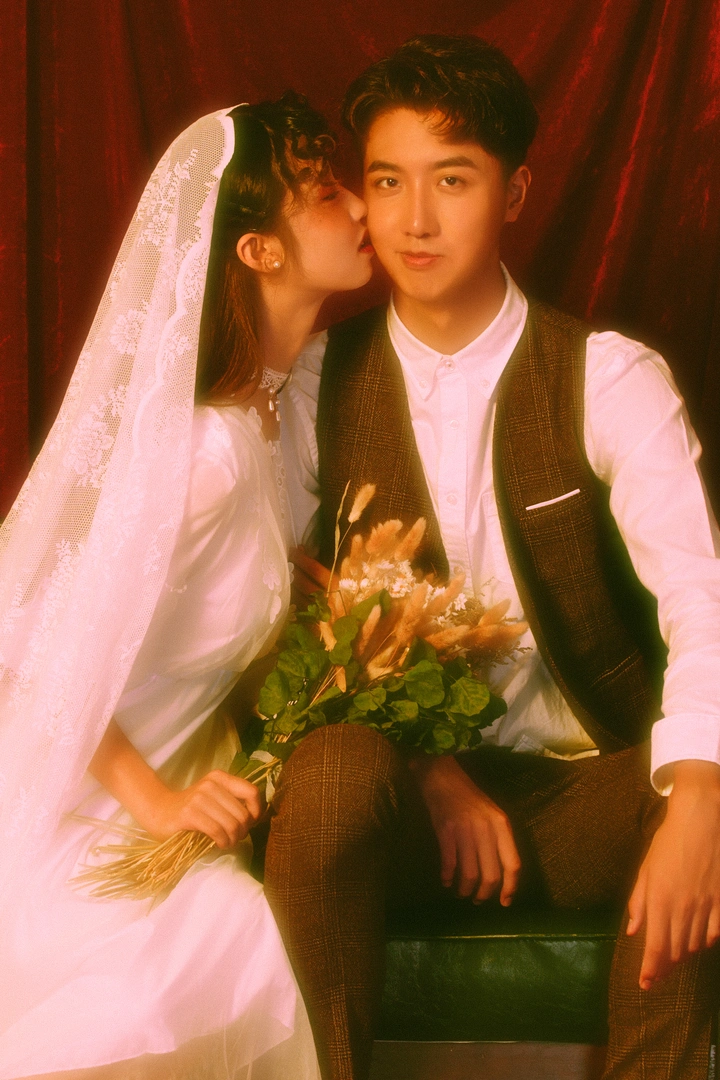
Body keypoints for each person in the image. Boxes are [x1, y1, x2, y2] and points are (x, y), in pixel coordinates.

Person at [273, 35, 720, 1080]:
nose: (414, 221)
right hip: (399, 810)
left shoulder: (606, 377)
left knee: (713, 791)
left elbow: (700, 597)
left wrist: (701, 799)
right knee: (330, 771)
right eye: (388, 181)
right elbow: (284, 609)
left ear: (514, 192)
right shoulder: (317, 384)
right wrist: (432, 774)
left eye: (453, 180)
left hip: (577, 793)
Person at [0, 93, 372, 1079]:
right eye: (325, 193)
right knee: (210, 952)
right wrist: (159, 805)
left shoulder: (273, 419)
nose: (361, 207)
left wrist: (287, 585)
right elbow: (21, 646)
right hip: (69, 827)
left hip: (162, 825)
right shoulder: (201, 453)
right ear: (259, 251)